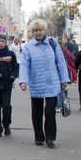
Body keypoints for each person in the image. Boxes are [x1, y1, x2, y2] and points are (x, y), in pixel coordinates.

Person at [18, 20, 69, 148]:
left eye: (40, 30)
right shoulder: (28, 47)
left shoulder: (53, 43)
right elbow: (24, 65)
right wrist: (23, 81)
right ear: (32, 32)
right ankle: (39, 136)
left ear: (44, 30)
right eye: (36, 30)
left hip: (53, 82)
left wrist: (64, 79)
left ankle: (50, 138)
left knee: (50, 110)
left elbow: (60, 62)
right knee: (37, 111)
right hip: (36, 83)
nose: (38, 32)